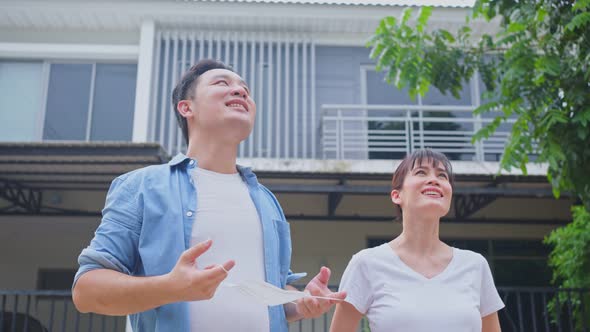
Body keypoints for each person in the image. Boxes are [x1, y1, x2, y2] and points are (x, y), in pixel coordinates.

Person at [72, 59, 346, 332]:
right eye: (222, 83)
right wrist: (170, 288)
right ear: (186, 107)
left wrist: (300, 302)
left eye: (245, 88)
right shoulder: (142, 186)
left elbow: (271, 290)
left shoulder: (266, 200)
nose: (240, 91)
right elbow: (86, 291)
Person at [330, 149, 504, 332]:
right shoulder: (366, 263)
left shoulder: (475, 265)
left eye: (442, 175)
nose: (434, 180)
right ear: (397, 195)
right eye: (421, 172)